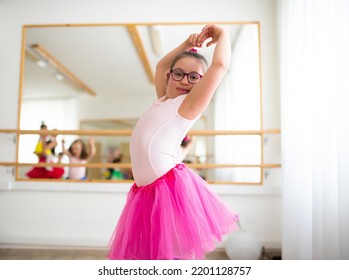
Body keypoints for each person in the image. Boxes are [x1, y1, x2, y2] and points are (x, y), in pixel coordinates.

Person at [108, 25, 239, 260]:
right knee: (153, 252)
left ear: (201, 83)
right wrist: (187, 45)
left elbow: (220, 65)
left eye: (194, 77)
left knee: (174, 252)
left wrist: (222, 35)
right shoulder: (162, 100)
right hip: (147, 192)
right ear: (170, 75)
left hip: (166, 188)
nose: (185, 81)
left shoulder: (188, 106)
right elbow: (160, 66)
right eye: (179, 73)